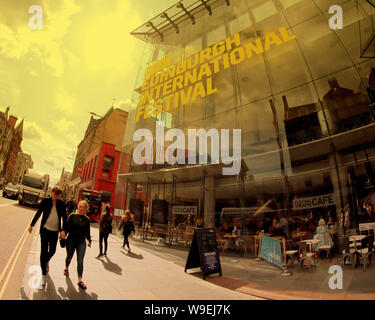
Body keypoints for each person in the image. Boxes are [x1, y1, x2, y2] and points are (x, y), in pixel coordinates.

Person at [28, 186, 67, 287]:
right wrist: (32, 225)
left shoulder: (62, 204)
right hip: (45, 230)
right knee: (43, 251)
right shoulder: (45, 201)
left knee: (53, 251)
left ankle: (44, 261)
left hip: (54, 232)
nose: (56, 196)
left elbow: (65, 218)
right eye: (55, 194)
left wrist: (63, 230)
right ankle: (43, 276)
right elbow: (38, 213)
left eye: (58, 195)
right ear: (52, 192)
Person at [64, 200, 92, 290]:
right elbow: (67, 228)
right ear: (78, 207)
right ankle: (66, 267)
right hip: (71, 240)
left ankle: (80, 280)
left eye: (84, 207)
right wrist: (63, 235)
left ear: (86, 209)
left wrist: (89, 240)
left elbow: (87, 232)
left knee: (80, 260)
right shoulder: (72, 216)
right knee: (69, 256)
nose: (82, 209)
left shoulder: (87, 219)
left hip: (81, 241)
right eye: (80, 206)